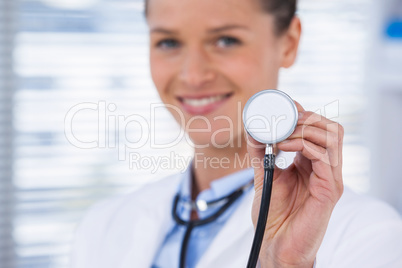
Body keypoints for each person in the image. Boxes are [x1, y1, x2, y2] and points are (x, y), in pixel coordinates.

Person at [70, 0, 402, 267]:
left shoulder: (368, 235)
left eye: (226, 40)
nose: (193, 74)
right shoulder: (102, 225)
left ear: (288, 43)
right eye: (168, 42)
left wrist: (282, 264)